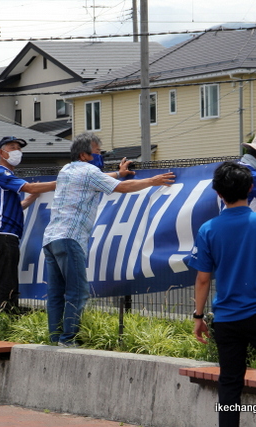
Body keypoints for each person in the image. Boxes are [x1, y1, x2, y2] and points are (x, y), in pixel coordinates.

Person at [190, 161, 256, 427]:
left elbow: (203, 279)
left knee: (229, 383)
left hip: (227, 319)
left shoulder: (208, 229)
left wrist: (198, 316)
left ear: (218, 192)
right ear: (251, 188)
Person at [42, 132, 175, 346]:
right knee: (77, 291)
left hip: (50, 239)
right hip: (71, 237)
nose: (100, 155)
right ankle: (68, 340)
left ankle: (55, 338)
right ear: (84, 155)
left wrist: (118, 173)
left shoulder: (66, 170)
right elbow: (122, 188)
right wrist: (153, 180)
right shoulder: (89, 170)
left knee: (56, 293)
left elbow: (99, 180)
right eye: (97, 152)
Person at [0, 136, 57, 330]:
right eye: (12, 148)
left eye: (19, 149)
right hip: (3, 237)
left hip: (2, 237)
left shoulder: (5, 179)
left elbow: (19, 204)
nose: (17, 152)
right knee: (7, 284)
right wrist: (61, 182)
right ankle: (9, 326)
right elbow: (29, 186)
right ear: (1, 153)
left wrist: (31, 197)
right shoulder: (1, 173)